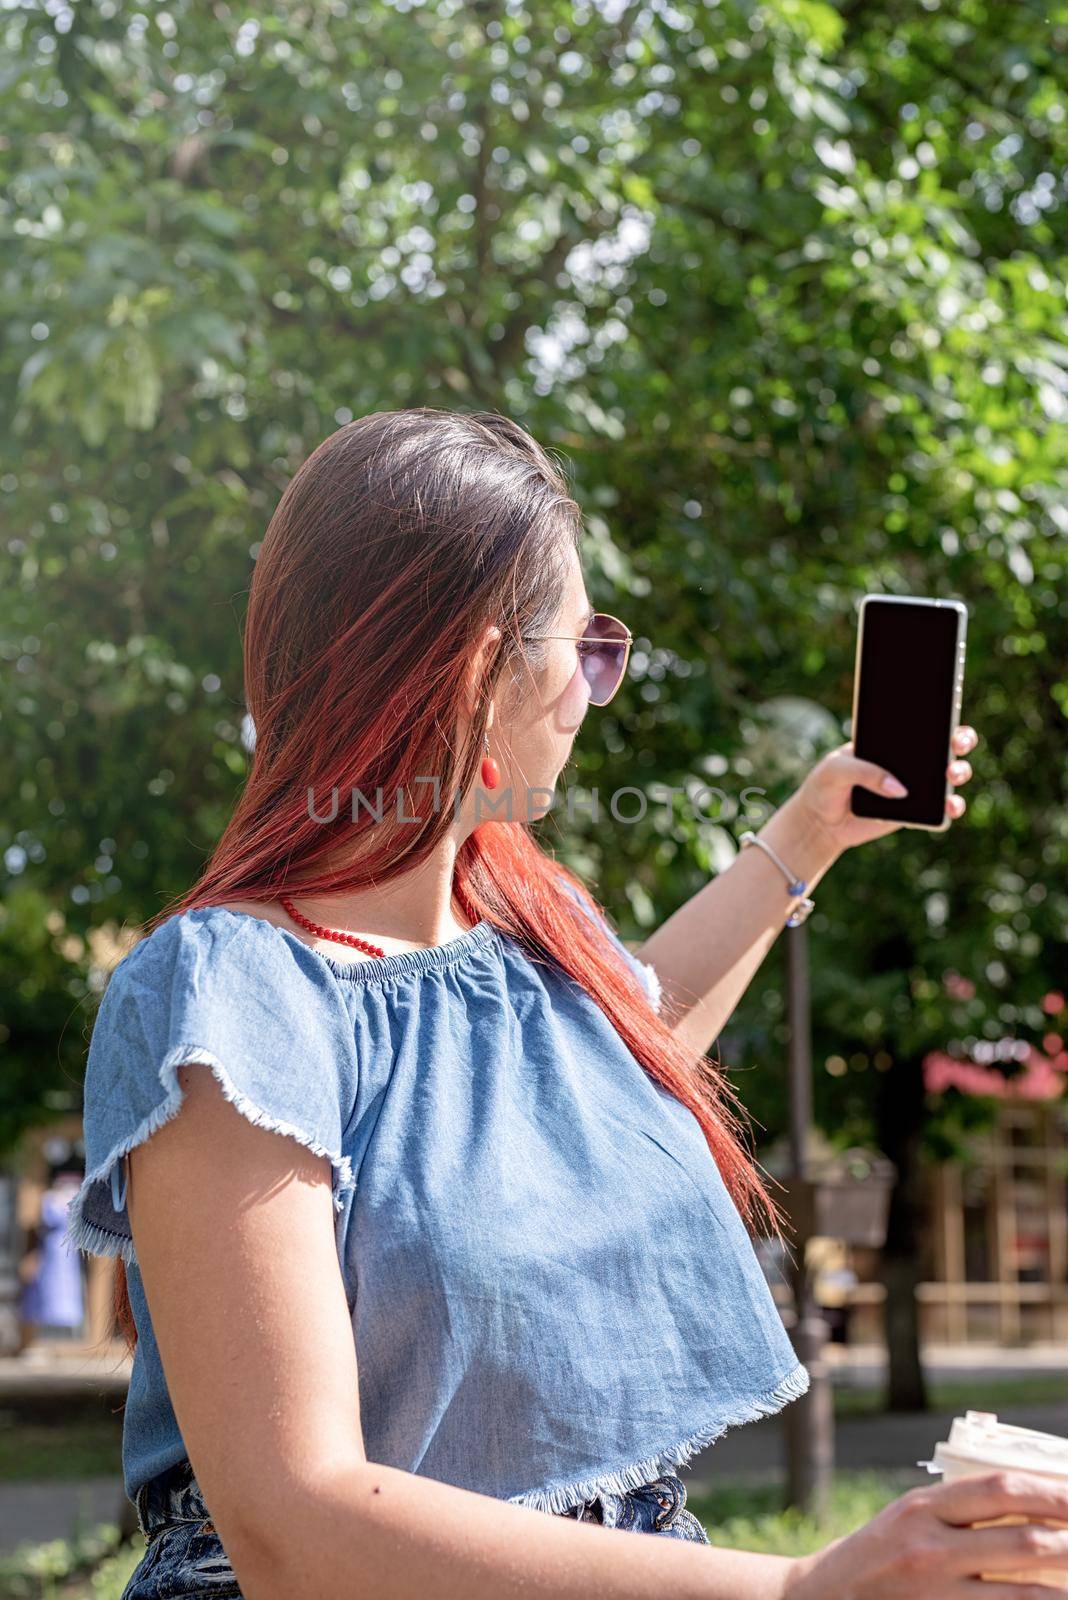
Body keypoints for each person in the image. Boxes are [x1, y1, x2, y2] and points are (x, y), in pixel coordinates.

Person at [65, 410, 1064, 1599]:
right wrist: (807, 1590)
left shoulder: (527, 941)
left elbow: (630, 1046)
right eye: (586, 644)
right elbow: (293, 1520)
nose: (598, 686)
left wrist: (810, 833)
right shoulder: (228, 995)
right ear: (483, 669)